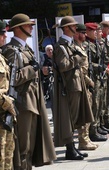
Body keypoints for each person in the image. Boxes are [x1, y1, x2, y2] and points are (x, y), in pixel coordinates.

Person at [2, 13, 56, 169]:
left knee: (31, 146)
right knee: (23, 148)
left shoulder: (25, 49)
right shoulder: (11, 50)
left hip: (33, 101)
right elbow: (11, 79)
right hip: (22, 103)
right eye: (28, 25)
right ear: (18, 29)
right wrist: (31, 70)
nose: (31, 28)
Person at [52, 16, 94, 160]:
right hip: (69, 86)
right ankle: (70, 149)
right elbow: (63, 66)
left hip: (76, 84)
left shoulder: (69, 44)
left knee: (75, 118)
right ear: (66, 28)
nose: (75, 28)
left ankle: (73, 147)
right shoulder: (61, 46)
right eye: (73, 26)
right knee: (69, 118)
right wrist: (77, 59)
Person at [73, 23, 98, 150]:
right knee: (83, 114)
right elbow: (79, 70)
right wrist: (89, 81)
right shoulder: (74, 47)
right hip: (81, 83)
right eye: (82, 33)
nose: (84, 35)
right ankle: (83, 140)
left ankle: (86, 138)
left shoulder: (81, 46)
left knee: (88, 113)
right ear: (77, 34)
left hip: (85, 83)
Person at [83, 22, 107, 142]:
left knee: (99, 103)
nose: (97, 33)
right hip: (92, 77)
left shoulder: (96, 43)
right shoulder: (86, 45)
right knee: (94, 104)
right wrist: (99, 66)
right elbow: (87, 64)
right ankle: (92, 130)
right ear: (87, 32)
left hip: (99, 76)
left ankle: (97, 126)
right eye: (94, 31)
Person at [0, 20, 16, 170]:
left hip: (5, 117)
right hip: (3, 111)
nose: (5, 36)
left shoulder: (2, 57)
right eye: (2, 33)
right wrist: (8, 102)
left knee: (7, 157)